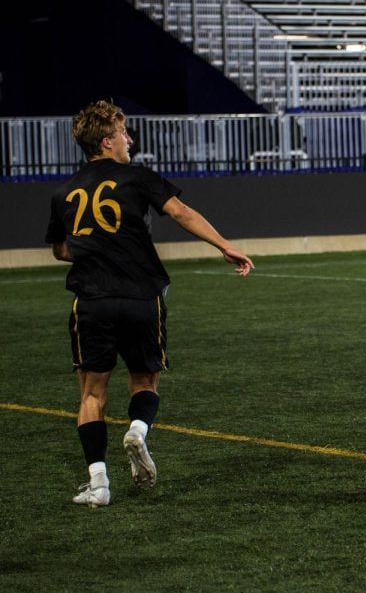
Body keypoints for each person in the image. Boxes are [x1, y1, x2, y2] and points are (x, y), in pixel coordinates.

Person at [46, 101, 253, 508]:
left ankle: (99, 483)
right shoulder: (137, 178)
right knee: (144, 382)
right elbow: (180, 211)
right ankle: (138, 430)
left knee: (92, 394)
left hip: (92, 302)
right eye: (124, 134)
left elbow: (61, 250)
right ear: (107, 141)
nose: (130, 140)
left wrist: (96, 248)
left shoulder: (63, 191)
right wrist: (225, 246)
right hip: (141, 297)